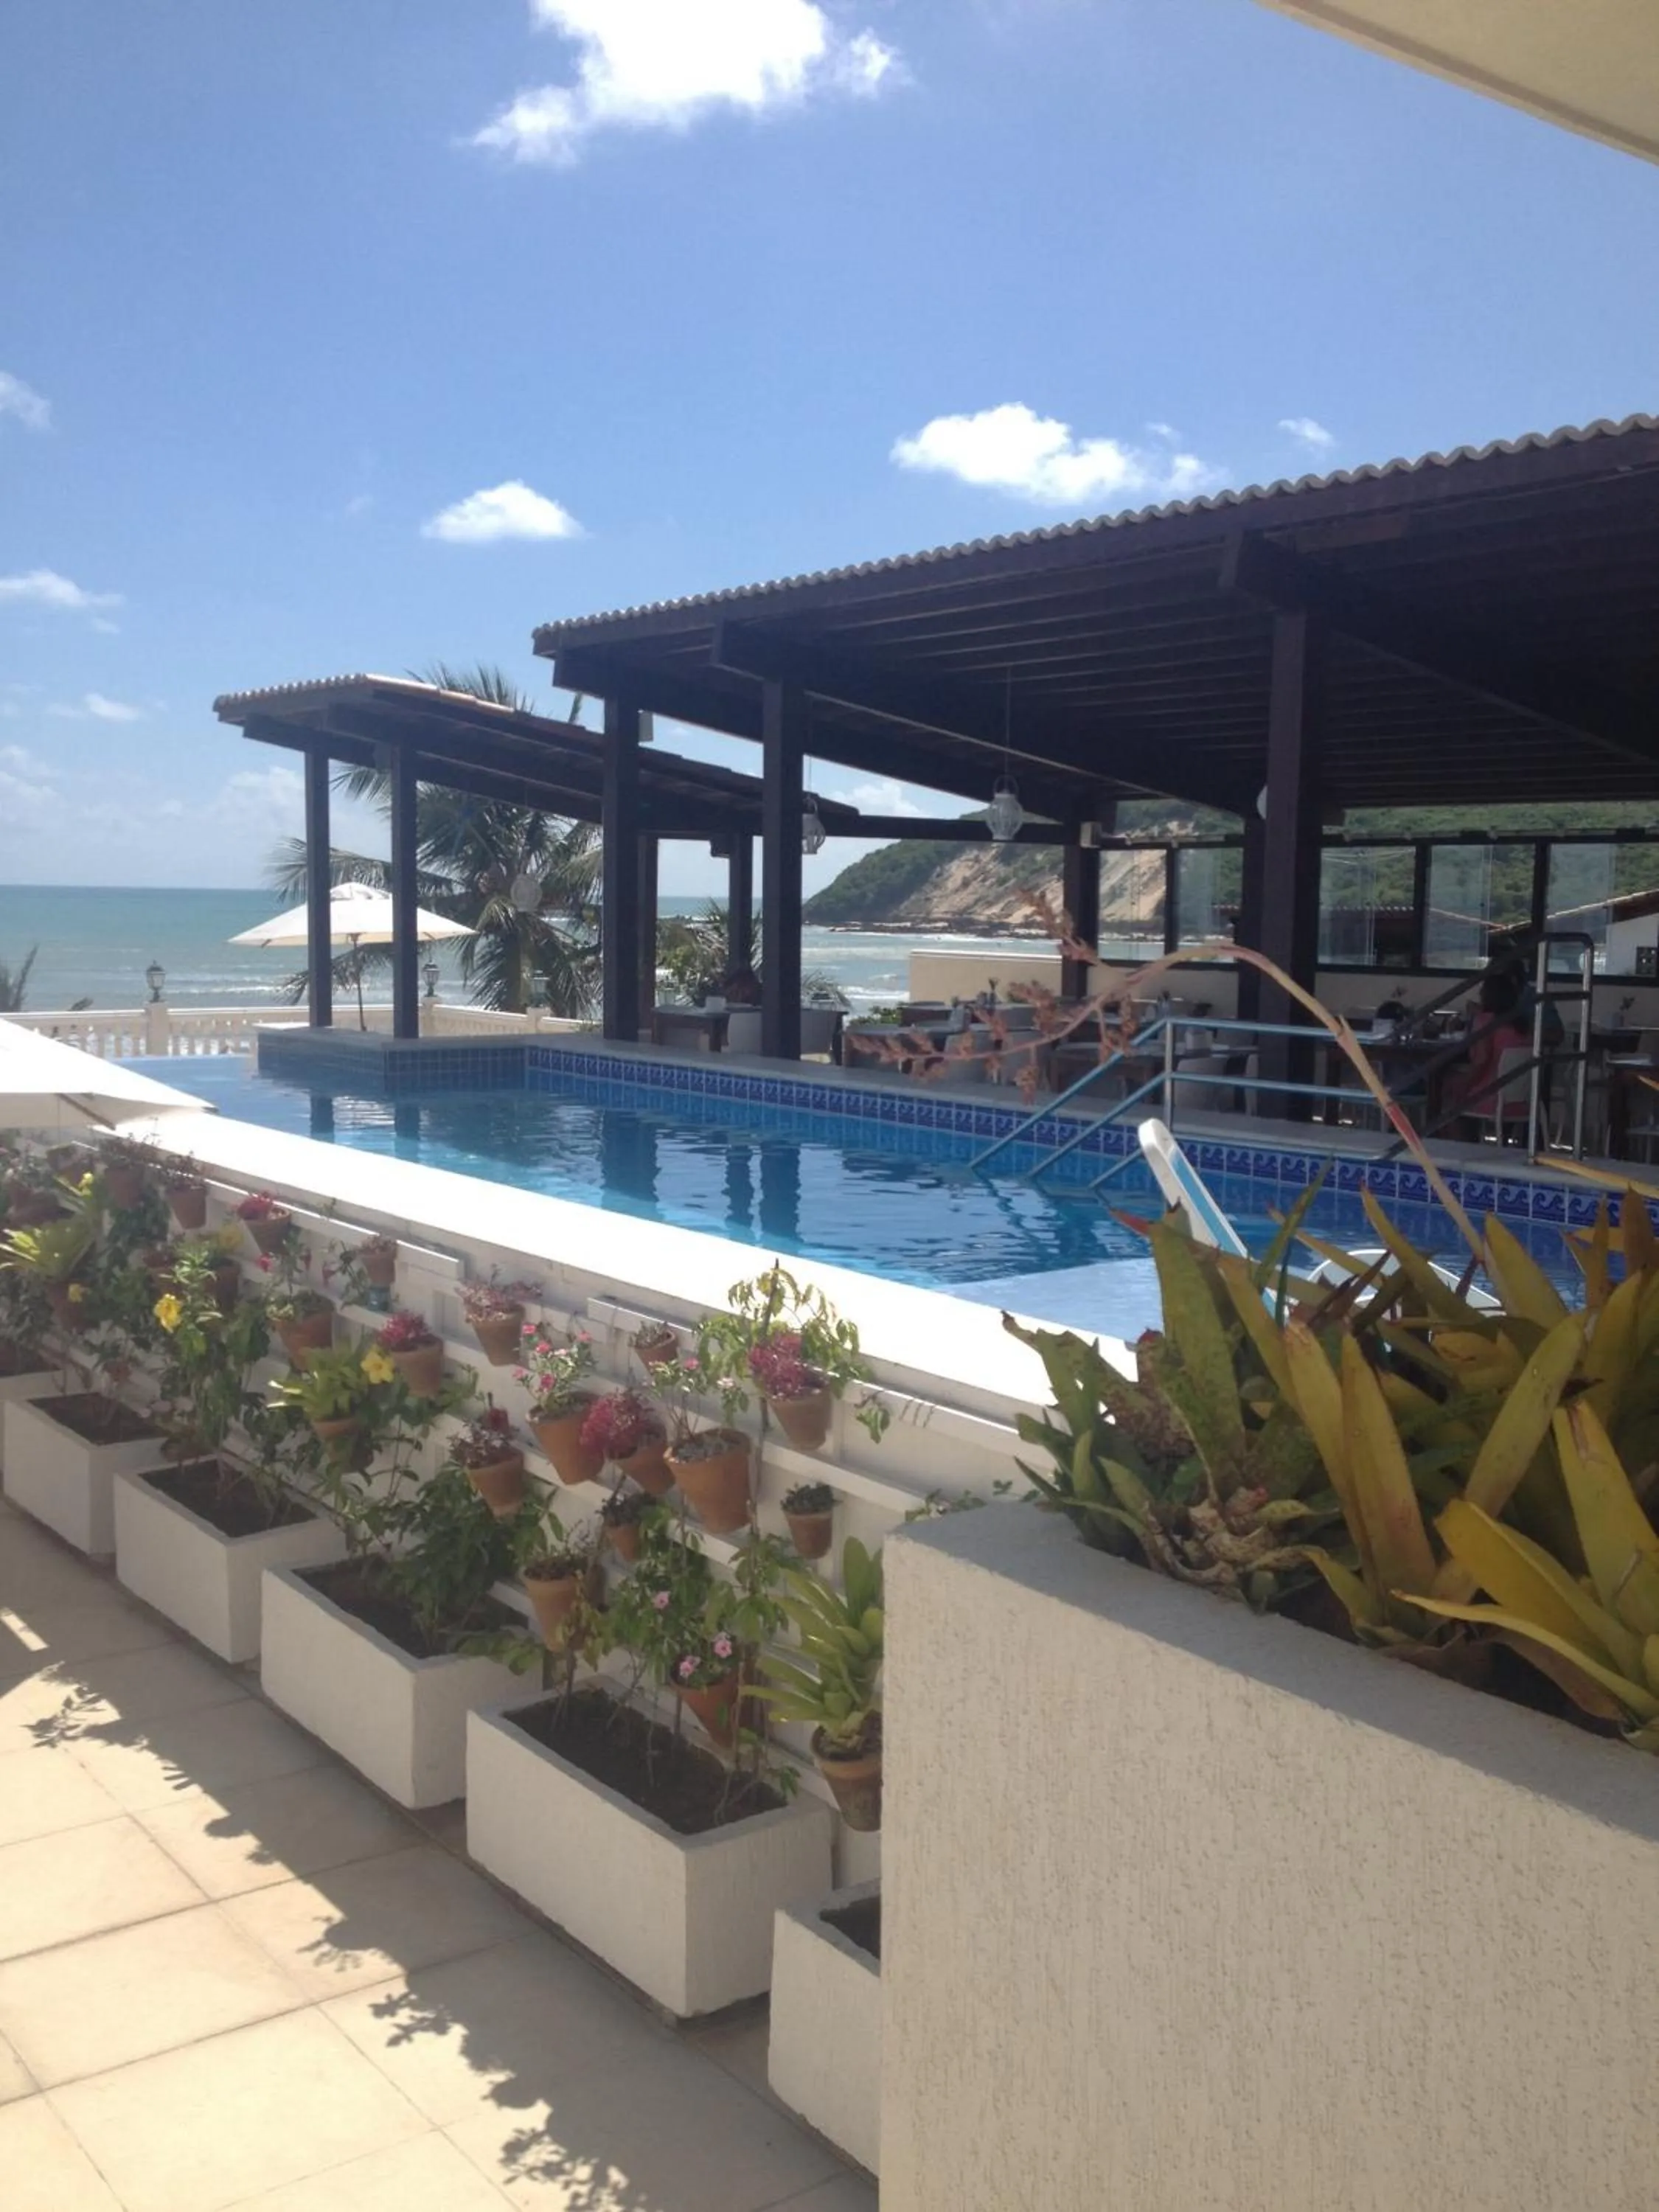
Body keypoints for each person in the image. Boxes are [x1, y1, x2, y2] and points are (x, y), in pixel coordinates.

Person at [1447, 967, 1530, 1141]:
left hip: (1492, 1098)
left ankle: (1460, 1147)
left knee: (1450, 1089)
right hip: (1523, 1102)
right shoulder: (1524, 1025)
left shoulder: (1486, 1022)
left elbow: (1482, 1061)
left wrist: (1464, 1085)